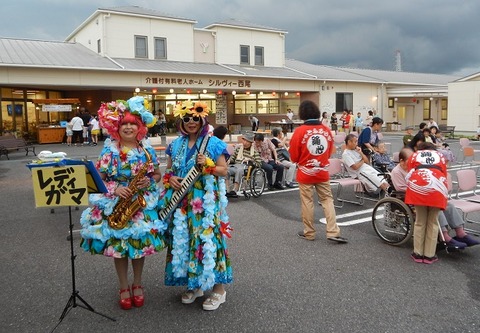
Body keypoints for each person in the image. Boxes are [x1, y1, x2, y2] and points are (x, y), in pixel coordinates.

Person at [79, 96, 166, 310]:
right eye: (124, 123)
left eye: (132, 124)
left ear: (140, 128)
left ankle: (138, 284)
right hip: (116, 202)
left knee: (138, 246)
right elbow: (97, 178)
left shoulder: (146, 150)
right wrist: (114, 189)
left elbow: (156, 173)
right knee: (119, 248)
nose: (128, 127)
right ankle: (123, 286)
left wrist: (150, 180)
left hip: (140, 202)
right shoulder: (109, 150)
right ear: (118, 127)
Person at [159, 100, 232, 311]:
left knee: (208, 239)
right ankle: (195, 284)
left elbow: (223, 170)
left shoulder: (213, 143)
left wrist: (208, 166)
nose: (191, 122)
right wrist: (170, 179)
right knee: (186, 239)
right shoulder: (175, 144)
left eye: (195, 118)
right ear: (181, 121)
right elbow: (169, 171)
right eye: (186, 118)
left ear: (202, 119)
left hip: (204, 202)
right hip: (181, 201)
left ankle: (219, 289)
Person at [391, 148, 479, 250]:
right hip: (410, 199)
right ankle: (444, 236)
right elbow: (400, 189)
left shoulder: (415, 167)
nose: (412, 162)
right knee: (436, 207)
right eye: (409, 160)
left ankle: (460, 232)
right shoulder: (396, 171)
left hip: (424, 194)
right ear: (401, 161)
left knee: (449, 205)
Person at [289, 100, 347, 243]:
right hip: (322, 171)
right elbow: (329, 152)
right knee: (327, 200)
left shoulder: (299, 131)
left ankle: (309, 232)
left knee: (307, 202)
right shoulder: (326, 130)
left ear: (302, 113)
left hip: (305, 172)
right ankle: (333, 231)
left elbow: (294, 156)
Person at [405, 142, 448, 264]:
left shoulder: (415, 155)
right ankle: (429, 255)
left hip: (418, 187)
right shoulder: (440, 156)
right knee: (433, 222)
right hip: (437, 188)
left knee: (420, 221)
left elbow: (409, 170)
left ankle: (418, 253)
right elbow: (444, 173)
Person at [227, 131, 262, 197]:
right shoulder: (238, 149)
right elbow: (232, 159)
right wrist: (228, 160)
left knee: (239, 170)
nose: (245, 143)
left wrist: (251, 160)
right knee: (226, 170)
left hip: (246, 168)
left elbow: (259, 164)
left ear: (250, 143)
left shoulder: (254, 152)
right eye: (244, 141)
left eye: (247, 141)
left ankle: (235, 189)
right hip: (235, 165)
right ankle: (227, 189)